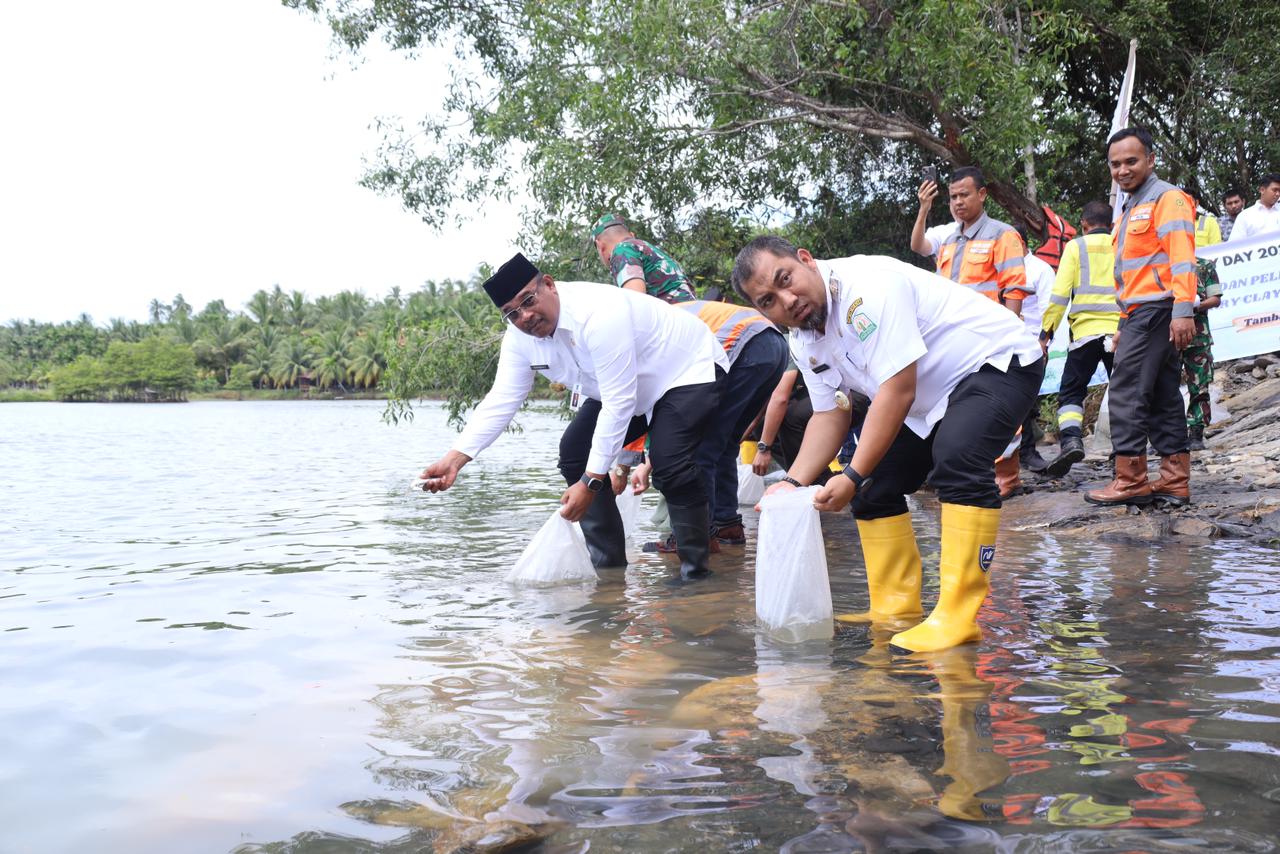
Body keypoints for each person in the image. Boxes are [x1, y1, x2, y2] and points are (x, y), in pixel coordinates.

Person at [731, 237, 1044, 653]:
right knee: (874, 489)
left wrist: (851, 474)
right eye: (768, 300)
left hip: (994, 362)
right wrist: (791, 481)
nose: (788, 300)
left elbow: (897, 390)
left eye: (786, 280)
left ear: (806, 259)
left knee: (957, 459)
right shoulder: (803, 339)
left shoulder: (869, 286)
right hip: (928, 400)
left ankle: (957, 616)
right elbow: (831, 414)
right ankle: (895, 608)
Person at [419, 253, 728, 581]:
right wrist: (455, 458)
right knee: (573, 453)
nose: (525, 316)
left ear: (549, 284)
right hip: (630, 386)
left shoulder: (598, 312)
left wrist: (591, 481)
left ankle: (695, 576)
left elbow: (618, 404)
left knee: (669, 462)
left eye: (528, 300)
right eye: (512, 313)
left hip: (687, 369)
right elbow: (502, 399)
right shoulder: (519, 340)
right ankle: (609, 570)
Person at [1085, 127, 1197, 508]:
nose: (1122, 170)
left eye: (1131, 161)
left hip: (1157, 310)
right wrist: (1121, 323)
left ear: (1151, 159)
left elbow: (1182, 258)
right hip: (1140, 313)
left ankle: (1130, 479)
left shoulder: (1168, 199)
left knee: (1127, 390)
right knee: (1164, 395)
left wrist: (1183, 311)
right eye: (1115, 164)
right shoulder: (1130, 207)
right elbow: (1128, 273)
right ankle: (1173, 480)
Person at [633, 299, 788, 547]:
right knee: (724, 444)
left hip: (742, 345)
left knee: (699, 447)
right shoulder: (659, 317)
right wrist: (645, 463)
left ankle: (696, 537)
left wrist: (626, 462)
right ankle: (726, 525)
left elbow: (660, 410)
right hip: (774, 345)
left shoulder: (639, 330)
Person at [1039, 201, 1121, 477]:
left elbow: (1060, 295)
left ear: (1084, 225)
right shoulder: (1121, 243)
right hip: (1119, 334)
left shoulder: (1075, 247)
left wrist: (1045, 334)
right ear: (1110, 224)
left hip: (1085, 334)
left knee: (1072, 391)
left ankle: (1072, 440)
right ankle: (1123, 450)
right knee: (1122, 392)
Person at [1011, 222, 1057, 476]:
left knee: (1026, 402)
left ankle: (1027, 452)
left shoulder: (1039, 269)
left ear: (1021, 242)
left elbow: (1049, 309)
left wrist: (1042, 343)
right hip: (1000, 345)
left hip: (1030, 346)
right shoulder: (1000, 268)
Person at [591, 214, 697, 303]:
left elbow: (637, 302)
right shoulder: (649, 249)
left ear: (600, 246)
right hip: (694, 312)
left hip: (677, 316)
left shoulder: (621, 250)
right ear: (632, 235)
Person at [1183, 258, 1221, 450]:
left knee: (1199, 386)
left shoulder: (1204, 266)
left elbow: (1216, 298)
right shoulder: (1162, 264)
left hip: (1198, 337)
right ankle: (1168, 434)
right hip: (1168, 337)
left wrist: (1196, 305)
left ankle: (1196, 432)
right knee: (1164, 387)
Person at [909, 178, 959, 258]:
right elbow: (918, 247)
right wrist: (923, 210)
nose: (958, 202)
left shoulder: (985, 230)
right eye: (953, 197)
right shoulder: (942, 232)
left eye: (964, 195)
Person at [1227, 174, 1280, 243]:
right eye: (1275, 190)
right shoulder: (1245, 216)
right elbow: (1234, 245)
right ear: (1262, 190)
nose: (1278, 194)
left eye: (1279, 191)